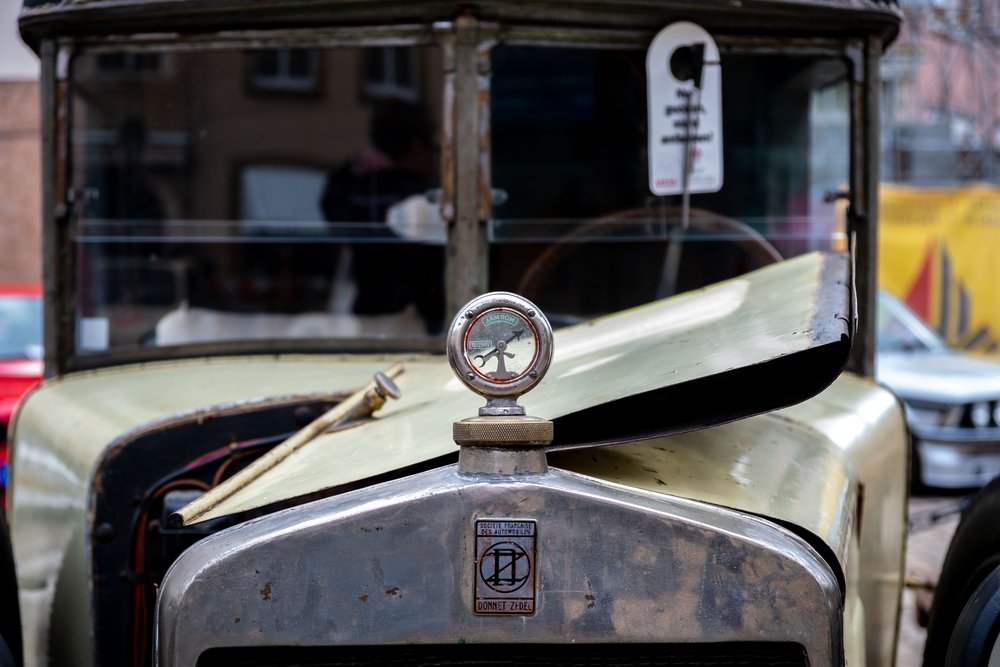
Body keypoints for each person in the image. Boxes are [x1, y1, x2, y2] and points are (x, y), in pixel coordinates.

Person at [321, 99, 444, 334]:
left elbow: (331, 205)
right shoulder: (423, 198)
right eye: (433, 147)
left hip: (369, 319)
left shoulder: (359, 190)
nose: (434, 157)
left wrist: (351, 166)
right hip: (420, 324)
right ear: (417, 145)